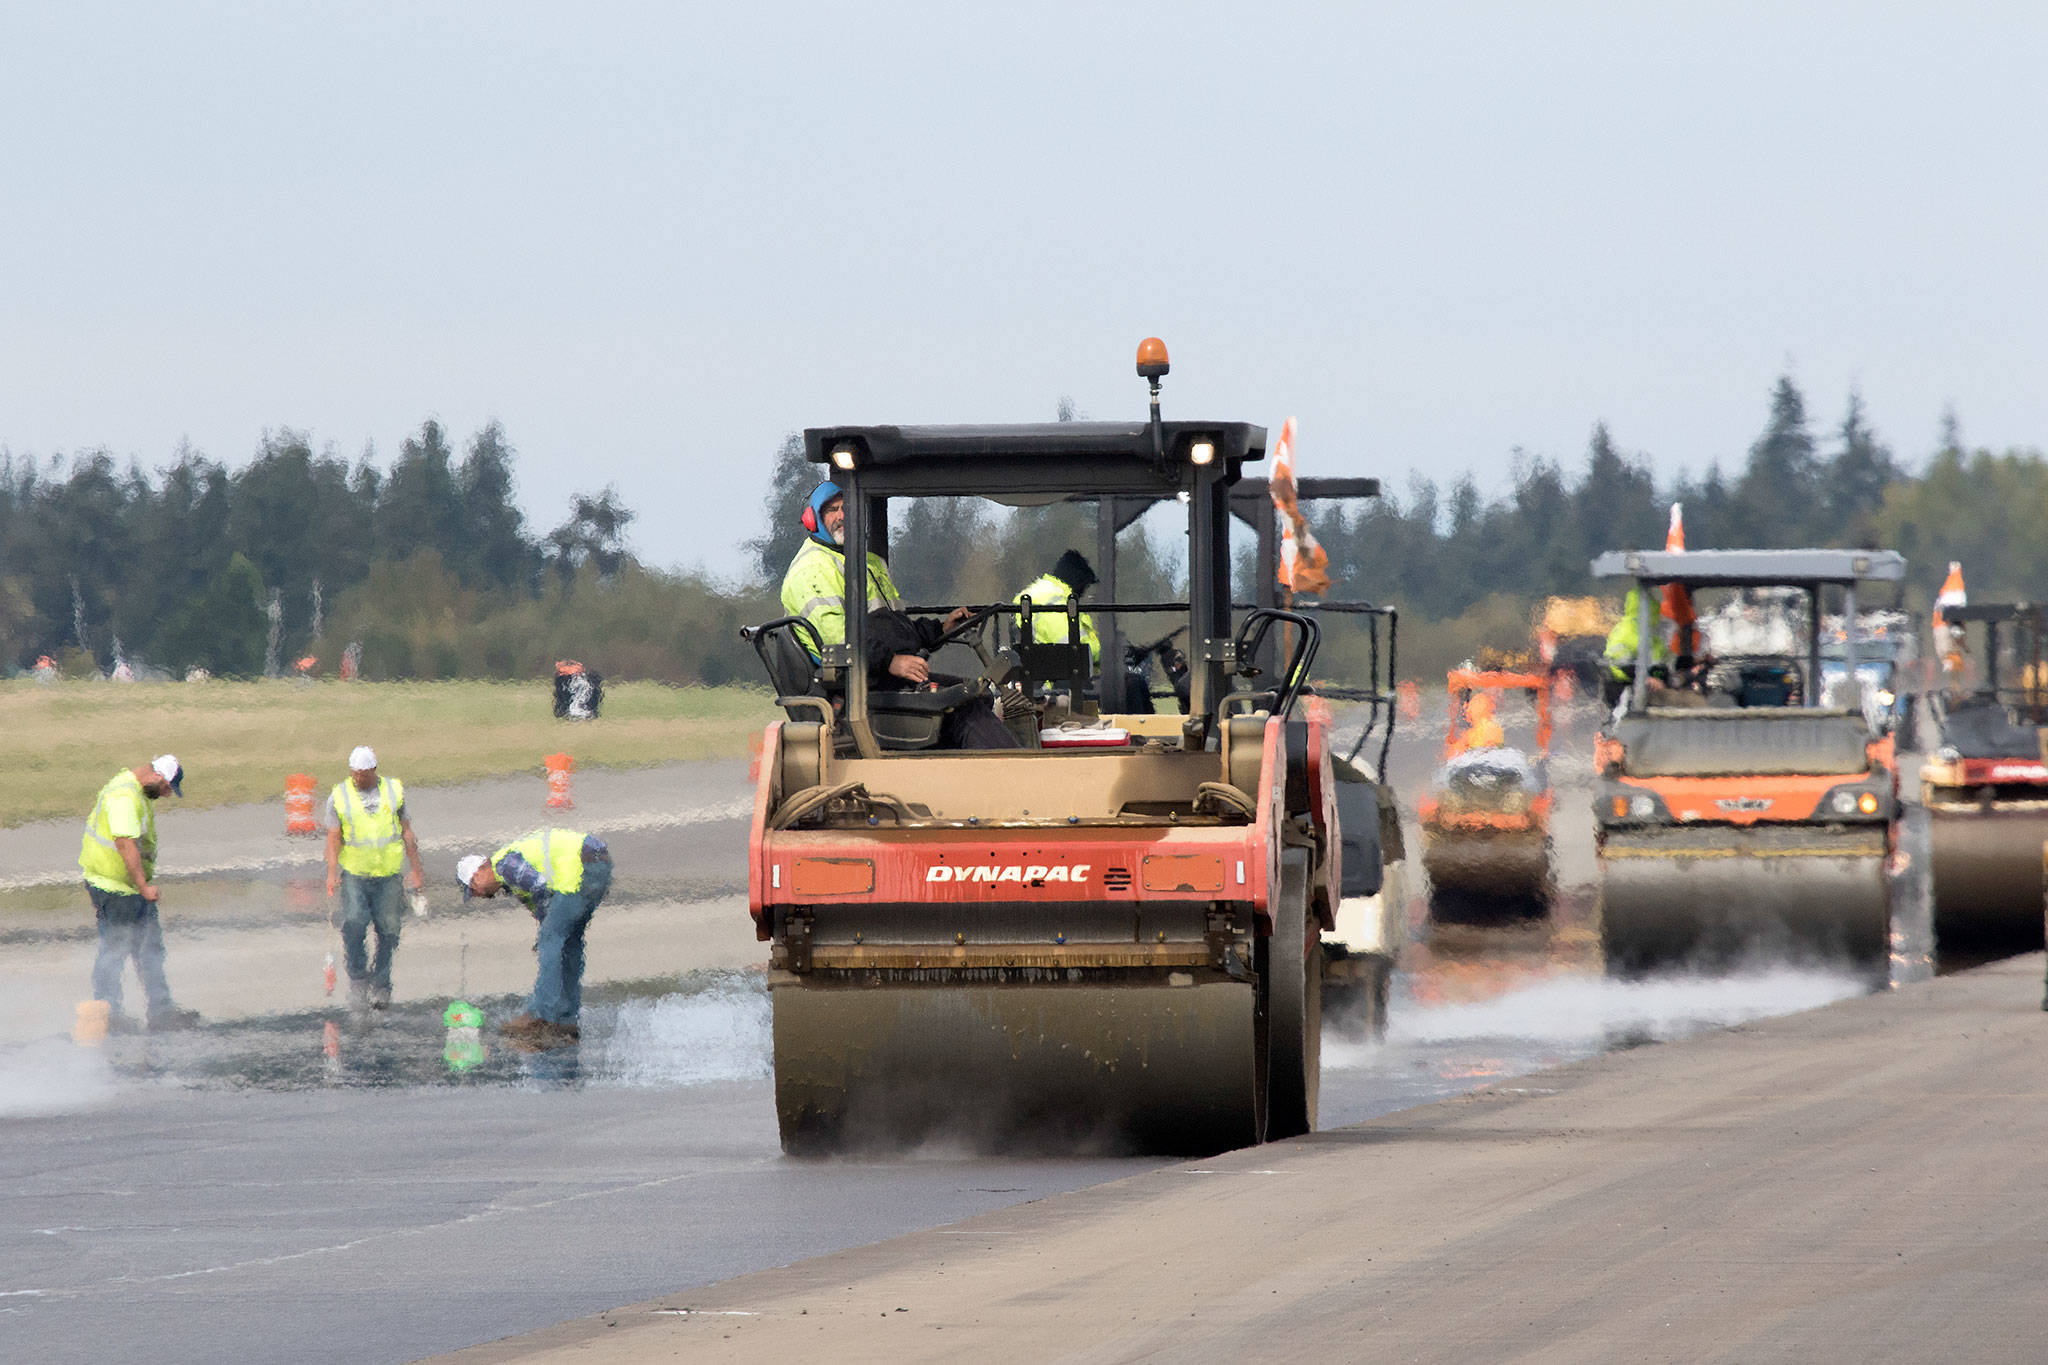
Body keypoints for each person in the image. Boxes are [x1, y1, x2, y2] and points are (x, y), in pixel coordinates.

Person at [780, 481, 1014, 748]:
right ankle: (1016, 780)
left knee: (977, 694)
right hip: (858, 688)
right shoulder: (812, 570)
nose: (842, 515)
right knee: (965, 705)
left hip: (881, 678)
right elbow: (837, 641)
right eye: (832, 509)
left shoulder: (867, 562)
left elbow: (894, 628)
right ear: (814, 520)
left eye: (848, 508)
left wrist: (940, 629)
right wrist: (890, 662)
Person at [456, 829, 613, 1047]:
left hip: (580, 866)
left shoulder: (504, 864)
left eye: (474, 889)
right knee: (569, 943)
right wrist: (547, 930)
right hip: (598, 863)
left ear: (479, 873)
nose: (481, 896)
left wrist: (547, 934)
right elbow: (540, 907)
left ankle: (542, 1019)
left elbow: (539, 887)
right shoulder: (511, 879)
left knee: (553, 940)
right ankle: (567, 1022)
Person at [78, 755, 200, 1031]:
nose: (167, 795)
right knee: (115, 950)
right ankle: (107, 1015)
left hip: (122, 886)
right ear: (158, 777)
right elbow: (125, 844)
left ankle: (160, 1012)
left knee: (149, 949)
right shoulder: (124, 797)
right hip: (117, 889)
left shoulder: (133, 790)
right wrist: (143, 886)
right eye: (168, 789)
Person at [324, 746, 424, 1010]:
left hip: (388, 875)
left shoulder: (394, 791)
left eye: (364, 774)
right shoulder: (339, 796)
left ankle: (381, 983)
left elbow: (407, 832)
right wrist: (332, 872)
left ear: (374, 771)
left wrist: (416, 869)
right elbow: (334, 837)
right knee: (354, 923)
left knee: (389, 930)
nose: (359, 779)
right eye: (356, 774)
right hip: (355, 875)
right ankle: (358, 977)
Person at [1602, 585, 1670, 708]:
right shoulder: (1624, 631)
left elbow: (1659, 665)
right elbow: (1620, 663)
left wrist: (1658, 679)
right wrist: (1645, 678)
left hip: (1650, 692)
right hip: (1622, 689)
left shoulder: (1654, 639)